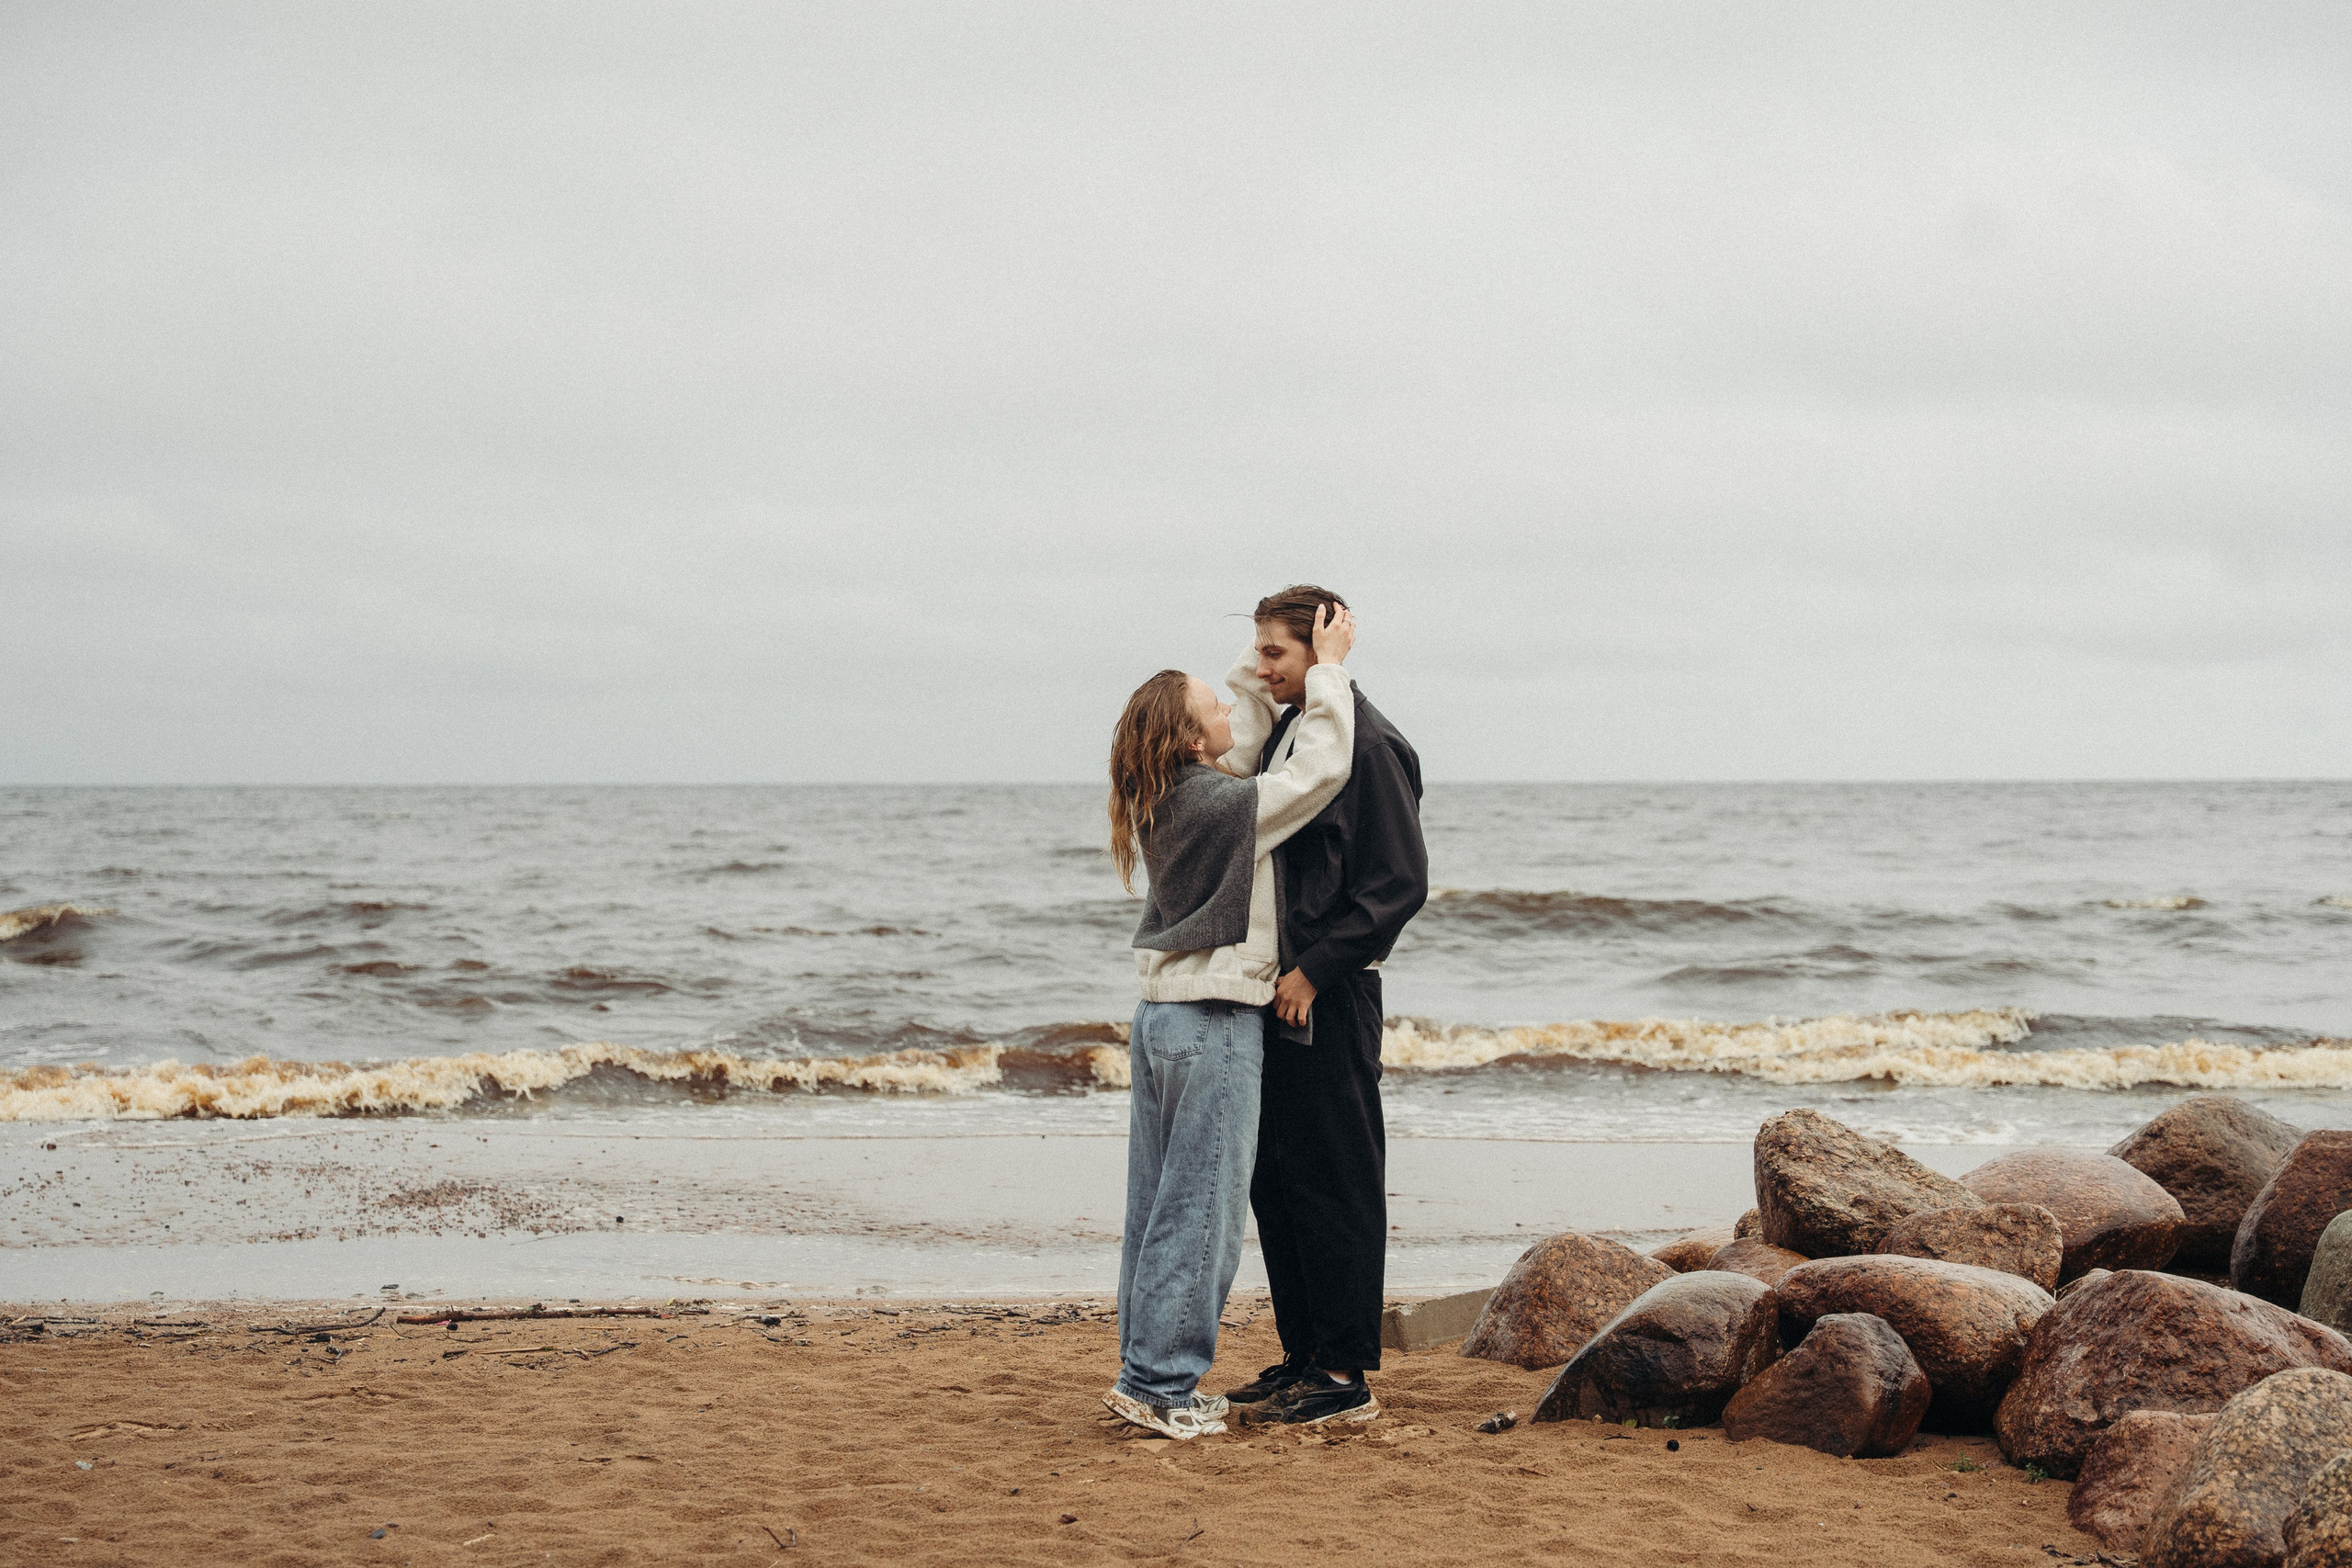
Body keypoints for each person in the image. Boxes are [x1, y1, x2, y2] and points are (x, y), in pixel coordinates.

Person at [1102, 602, 1358, 1441]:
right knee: (1200, 1213)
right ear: (1189, 739)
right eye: (1212, 704)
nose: (1231, 706)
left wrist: (1263, 657)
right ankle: (1162, 1386)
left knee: (1154, 1207)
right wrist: (1328, 670)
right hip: (1212, 1024)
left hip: (1159, 1023)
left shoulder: (1174, 793)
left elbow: (1239, 731)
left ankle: (1145, 1373)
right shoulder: (1220, 805)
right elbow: (1316, 772)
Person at [1217, 584, 1427, 1427]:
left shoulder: (1369, 745)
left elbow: (1399, 883)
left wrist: (1314, 971)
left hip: (1328, 996)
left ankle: (1344, 1373)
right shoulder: (1291, 731)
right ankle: (1303, 1356)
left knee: (1337, 1181)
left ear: (1322, 652)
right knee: (1279, 1180)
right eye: (1257, 651)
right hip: (1279, 994)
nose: (1261, 666)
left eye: (1277, 651)